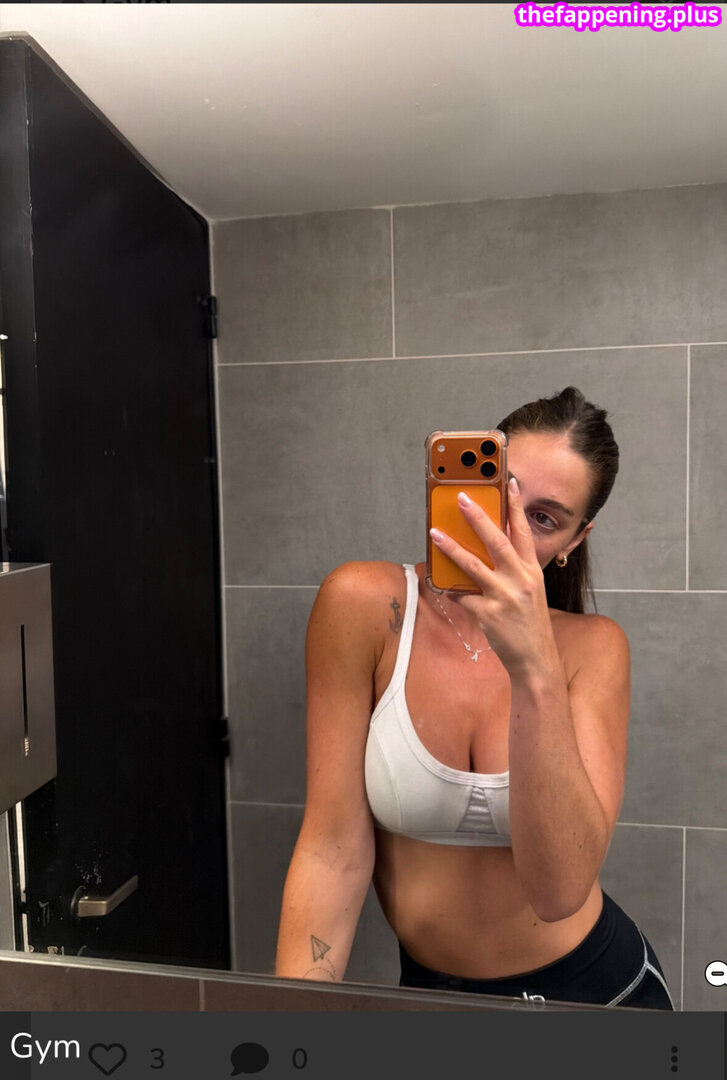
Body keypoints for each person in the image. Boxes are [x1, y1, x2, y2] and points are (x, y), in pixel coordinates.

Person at [275, 386, 674, 1009]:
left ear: (574, 540)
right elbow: (332, 851)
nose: (507, 531)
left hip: (597, 993)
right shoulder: (363, 606)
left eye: (544, 519)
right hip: (434, 997)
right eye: (501, 494)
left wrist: (534, 666)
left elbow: (560, 891)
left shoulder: (594, 649)